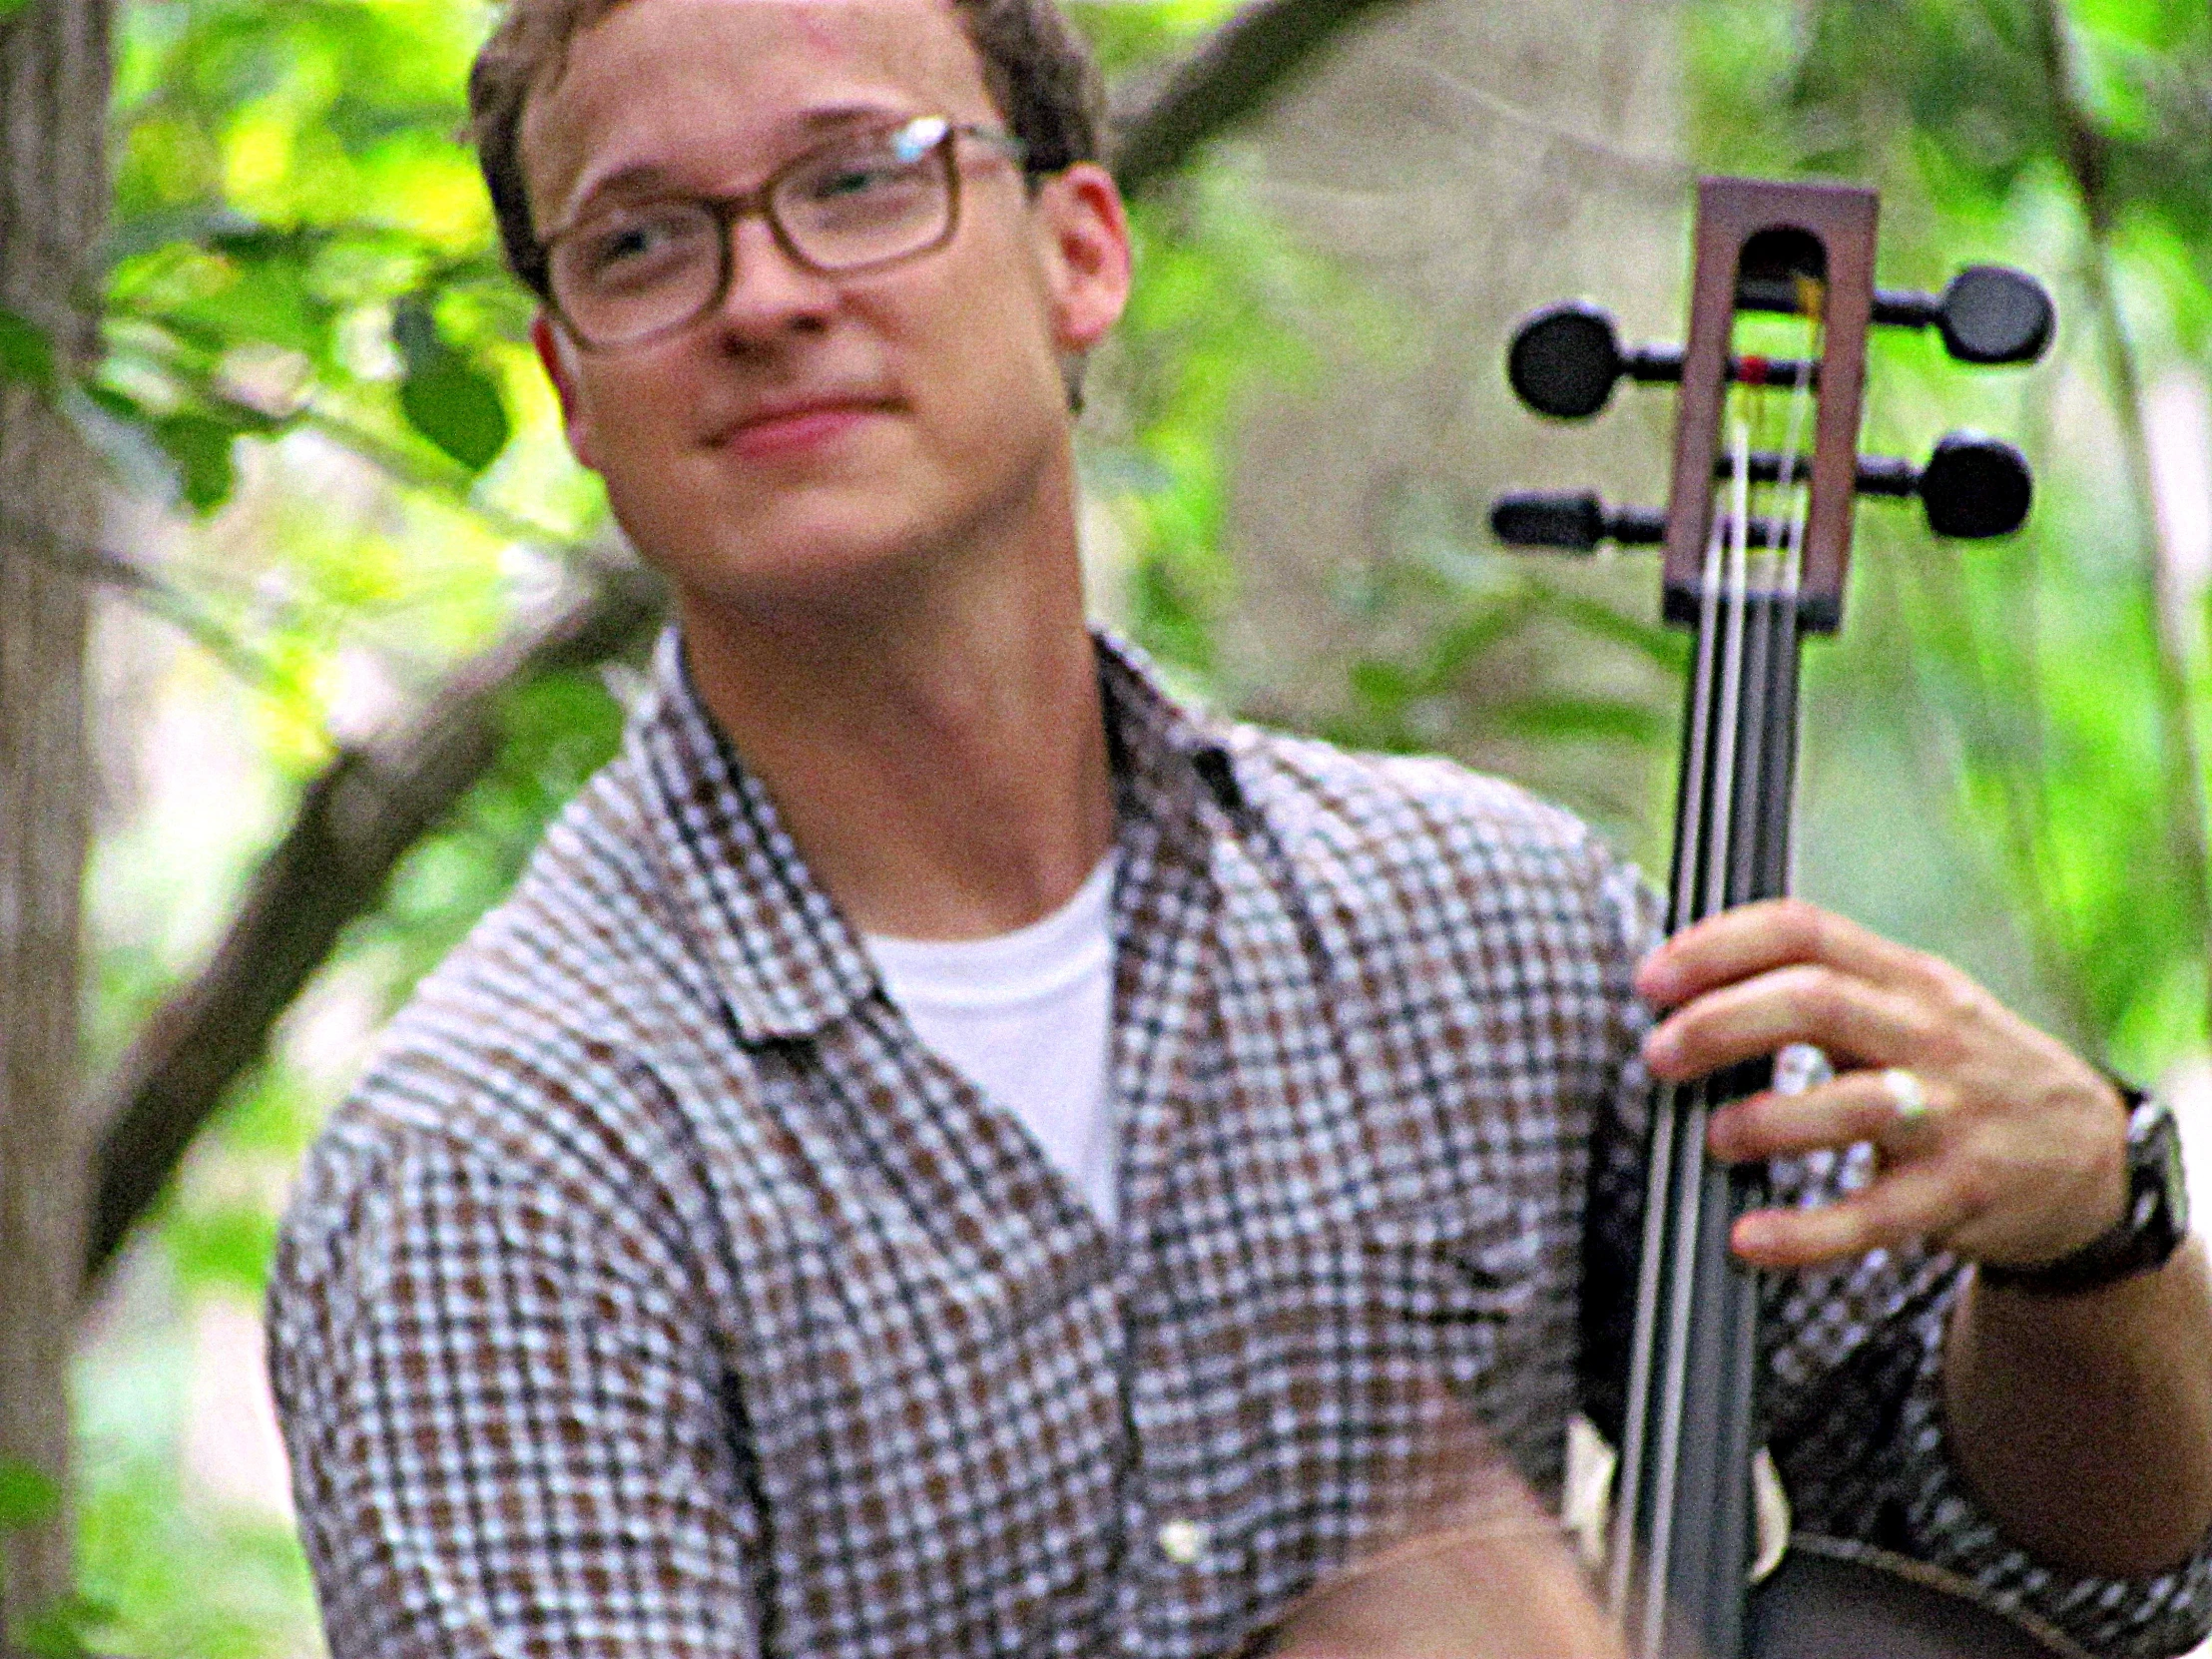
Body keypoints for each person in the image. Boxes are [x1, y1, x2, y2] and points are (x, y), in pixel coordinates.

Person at [264, 0, 2212, 1651]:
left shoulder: (1495, 929)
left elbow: (2092, 1585)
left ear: (1077, 250)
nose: (763, 295)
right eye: (640, 246)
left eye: (858, 179)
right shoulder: (494, 1162)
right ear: (570, 390)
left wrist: (2092, 1237)